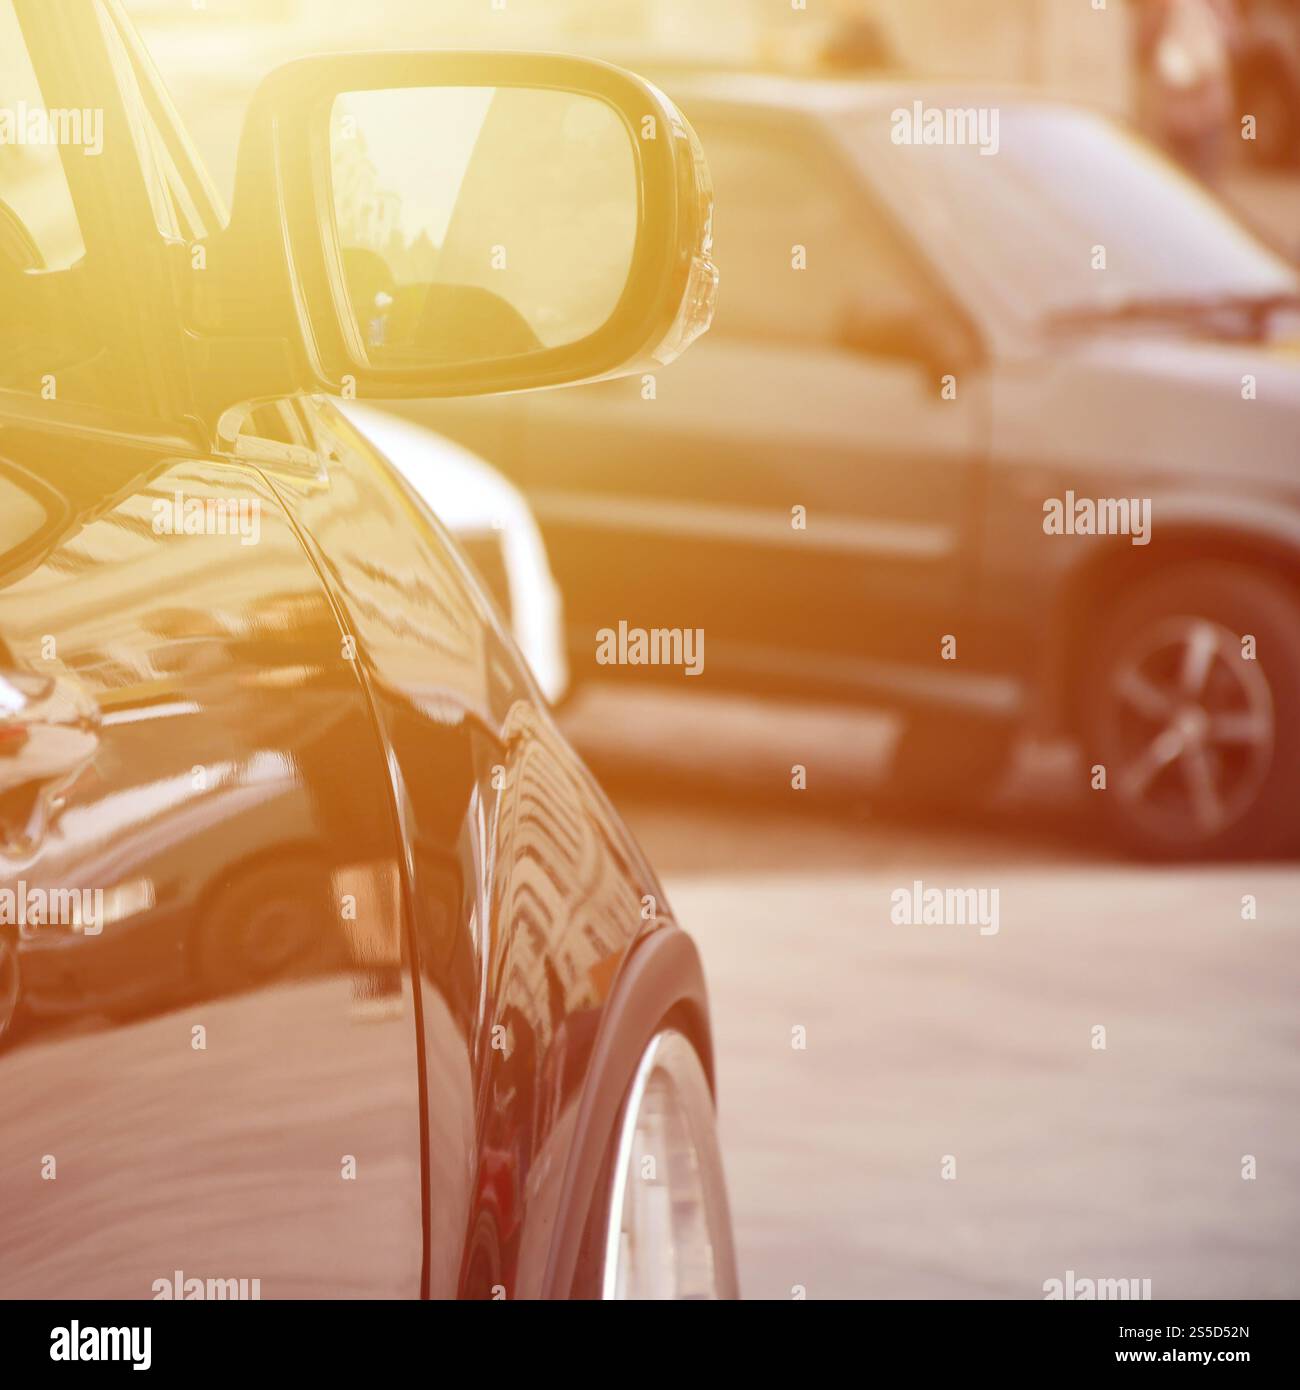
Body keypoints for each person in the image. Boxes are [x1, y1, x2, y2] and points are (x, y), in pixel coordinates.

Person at [1135, 0, 1240, 183]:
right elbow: (1235, 43)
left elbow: (1143, 45)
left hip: (1192, 109)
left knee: (1184, 179)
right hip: (1191, 109)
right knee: (1190, 179)